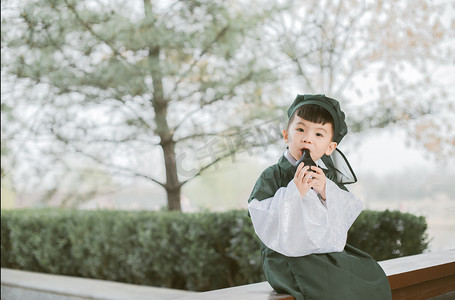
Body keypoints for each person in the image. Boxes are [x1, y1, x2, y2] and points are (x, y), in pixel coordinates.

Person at [248, 94, 392, 300]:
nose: (307, 138)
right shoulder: (273, 174)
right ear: (286, 136)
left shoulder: (326, 176)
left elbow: (344, 213)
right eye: (300, 130)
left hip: (321, 248)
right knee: (332, 286)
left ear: (330, 147)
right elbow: (260, 213)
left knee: (370, 273)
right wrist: (294, 192)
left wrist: (326, 191)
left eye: (318, 134)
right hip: (285, 255)